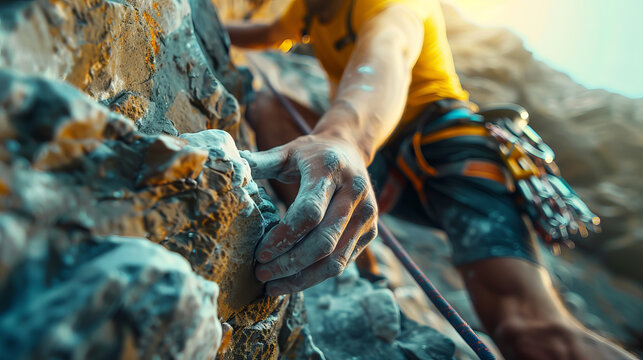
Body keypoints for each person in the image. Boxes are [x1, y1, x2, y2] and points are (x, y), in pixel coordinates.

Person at [225, 0, 636, 358]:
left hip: (454, 149)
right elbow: (268, 32)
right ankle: (360, 268)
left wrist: (341, 135)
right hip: (391, 154)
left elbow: (391, 47)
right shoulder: (312, 6)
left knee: (526, 332)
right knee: (269, 109)